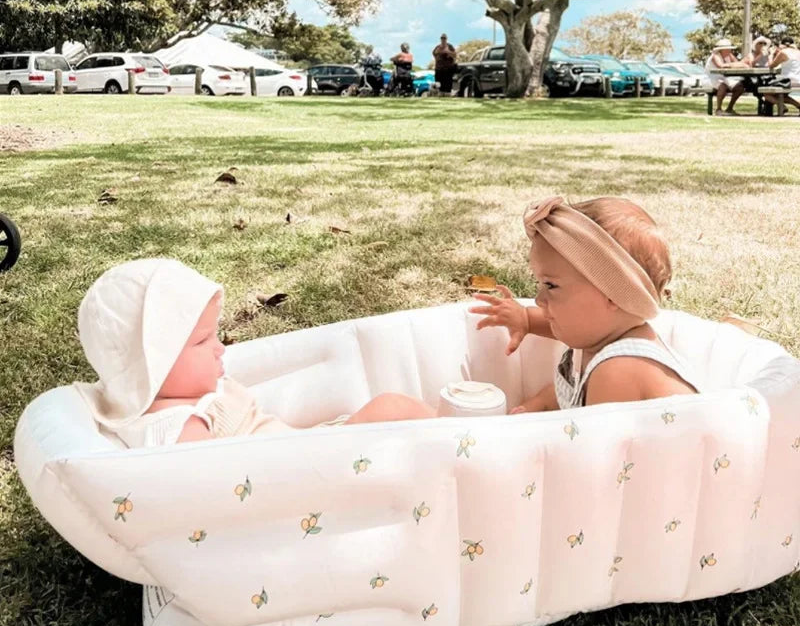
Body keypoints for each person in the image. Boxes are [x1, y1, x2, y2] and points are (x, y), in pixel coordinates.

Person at [74, 259, 435, 448]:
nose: (220, 348)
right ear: (152, 364)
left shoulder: (186, 399)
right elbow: (202, 488)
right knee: (395, 409)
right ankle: (477, 450)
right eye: (202, 342)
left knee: (397, 409)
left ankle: (474, 440)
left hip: (303, 445)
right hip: (310, 473)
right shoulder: (181, 428)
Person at [468, 196, 700, 412]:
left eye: (550, 285)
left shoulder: (619, 371)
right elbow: (572, 394)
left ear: (613, 295)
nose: (539, 299)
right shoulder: (599, 335)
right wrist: (526, 320)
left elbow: (595, 454)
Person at [704, 38, 746, 115]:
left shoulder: (729, 55)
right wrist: (734, 65)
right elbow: (721, 66)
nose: (730, 51)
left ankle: (729, 108)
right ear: (722, 49)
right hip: (711, 78)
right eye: (728, 49)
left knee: (739, 87)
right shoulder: (715, 55)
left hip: (723, 78)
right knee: (723, 86)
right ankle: (718, 109)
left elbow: (739, 63)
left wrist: (733, 64)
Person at [764, 36, 800, 115]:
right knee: (781, 95)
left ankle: (782, 106)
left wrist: (771, 54)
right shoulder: (798, 52)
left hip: (788, 81)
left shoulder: (783, 52)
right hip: (798, 80)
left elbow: (771, 65)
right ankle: (798, 105)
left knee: (766, 93)